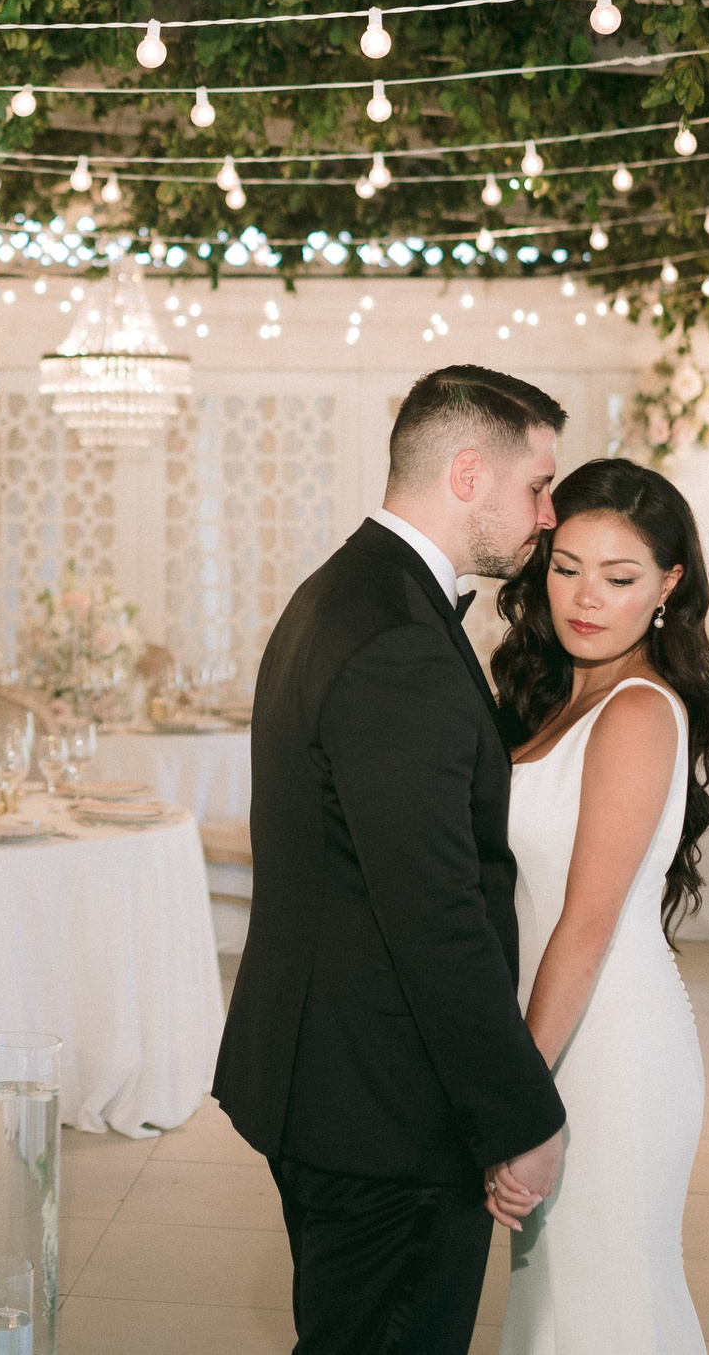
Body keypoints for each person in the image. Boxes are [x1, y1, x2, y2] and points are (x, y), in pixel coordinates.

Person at [214, 364, 573, 1354]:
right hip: (384, 1108)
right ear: (468, 472)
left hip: (328, 1079)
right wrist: (519, 1113)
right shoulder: (398, 640)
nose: (548, 514)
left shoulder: (346, 590)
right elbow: (434, 913)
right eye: (537, 484)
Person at [483, 458, 709, 1355]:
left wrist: (519, 1101)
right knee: (563, 1313)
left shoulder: (634, 711)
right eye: (566, 566)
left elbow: (583, 929)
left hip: (612, 1054)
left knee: (605, 1309)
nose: (586, 598)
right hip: (562, 1032)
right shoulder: (557, 697)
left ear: (667, 585)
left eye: (619, 578)